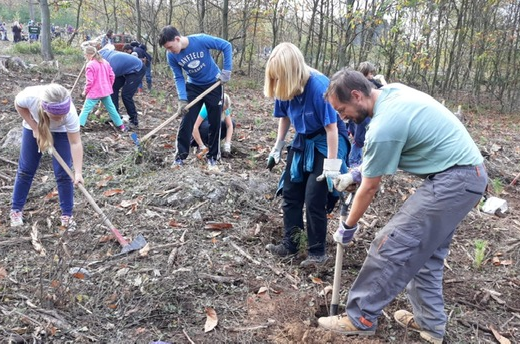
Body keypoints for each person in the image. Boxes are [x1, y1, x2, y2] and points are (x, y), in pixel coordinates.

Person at [317, 68, 487, 344]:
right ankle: (430, 325)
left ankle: (359, 318)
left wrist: (348, 227)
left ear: (357, 95)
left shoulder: (384, 126)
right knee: (424, 254)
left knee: (391, 244)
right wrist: (356, 173)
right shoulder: (392, 93)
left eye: (342, 108)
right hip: (466, 177)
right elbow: (377, 163)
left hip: (454, 180)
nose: (341, 116)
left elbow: (370, 188)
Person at [263, 42, 349, 267]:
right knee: (290, 192)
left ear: (290, 72)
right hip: (303, 138)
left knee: (314, 196)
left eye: (280, 77)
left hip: (328, 139)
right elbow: (285, 117)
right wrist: (278, 145)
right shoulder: (284, 84)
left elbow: (332, 129)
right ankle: (290, 243)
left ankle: (317, 253)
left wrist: (331, 166)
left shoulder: (319, 86)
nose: (277, 82)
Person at [10, 84, 84, 229]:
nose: (61, 118)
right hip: (35, 126)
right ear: (45, 109)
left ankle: (67, 216)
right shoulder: (30, 97)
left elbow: (75, 143)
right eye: (57, 116)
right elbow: (18, 105)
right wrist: (34, 127)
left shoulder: (70, 114)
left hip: (61, 133)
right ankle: (16, 210)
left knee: (64, 174)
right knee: (26, 170)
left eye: (63, 115)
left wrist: (78, 172)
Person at [158, 25, 232, 169]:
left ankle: (213, 159)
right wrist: (182, 99)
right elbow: (179, 77)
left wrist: (226, 71)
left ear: (177, 39)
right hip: (193, 87)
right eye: (167, 49)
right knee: (186, 120)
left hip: (214, 84)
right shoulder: (171, 56)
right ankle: (180, 158)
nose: (170, 51)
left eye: (170, 47)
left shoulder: (201, 40)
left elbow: (226, 46)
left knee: (215, 121)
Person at [78, 46, 127, 132]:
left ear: (89, 55)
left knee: (85, 110)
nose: (85, 57)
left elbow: (90, 82)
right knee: (112, 109)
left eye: (85, 55)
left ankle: (77, 127)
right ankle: (121, 126)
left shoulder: (90, 65)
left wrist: (84, 92)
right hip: (105, 91)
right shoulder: (105, 62)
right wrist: (108, 86)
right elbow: (112, 76)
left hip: (94, 93)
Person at [99, 44, 145, 129]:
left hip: (137, 69)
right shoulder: (101, 54)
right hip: (125, 69)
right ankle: (115, 117)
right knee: (113, 89)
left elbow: (107, 81)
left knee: (126, 95)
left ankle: (134, 121)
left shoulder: (111, 65)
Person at [191, 93, 234, 158]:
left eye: (224, 110)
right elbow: (194, 127)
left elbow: (229, 126)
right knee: (208, 126)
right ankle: (202, 145)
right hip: (199, 132)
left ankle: (214, 143)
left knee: (231, 123)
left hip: (213, 129)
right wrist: (201, 146)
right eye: (222, 109)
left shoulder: (225, 109)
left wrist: (227, 143)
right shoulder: (206, 108)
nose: (223, 111)